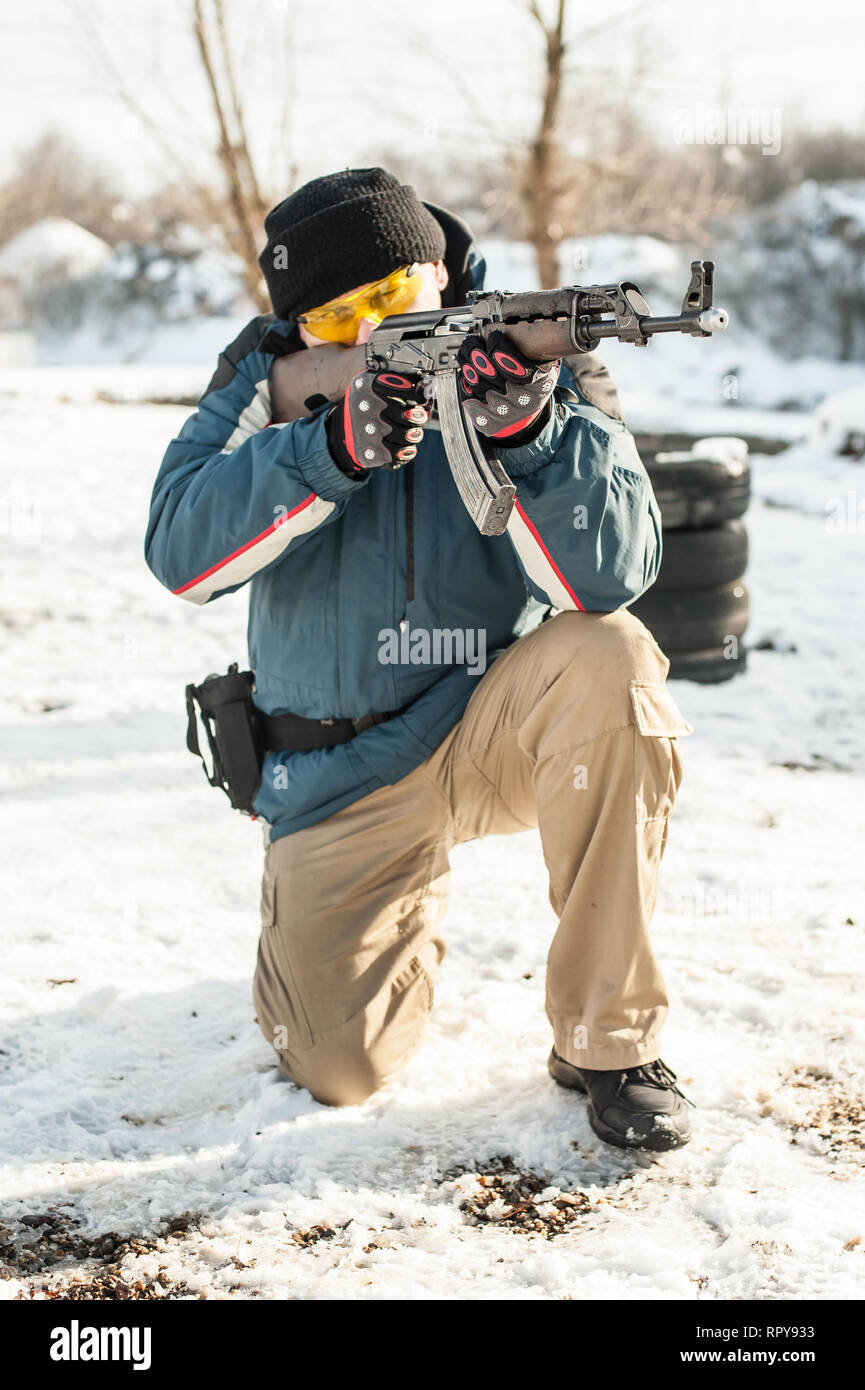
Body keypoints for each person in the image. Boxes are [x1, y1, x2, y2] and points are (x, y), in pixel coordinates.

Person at [146, 167, 695, 1152]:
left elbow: (611, 573)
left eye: (394, 298)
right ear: (301, 323)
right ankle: (347, 926)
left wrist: (528, 429)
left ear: (438, 269)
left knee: (610, 658)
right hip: (337, 774)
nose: (367, 330)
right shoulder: (263, 379)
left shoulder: (537, 361)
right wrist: (329, 451)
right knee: (336, 1069)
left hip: (492, 728)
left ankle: (605, 1038)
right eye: (338, 315)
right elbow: (180, 553)